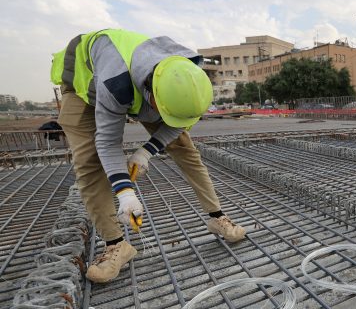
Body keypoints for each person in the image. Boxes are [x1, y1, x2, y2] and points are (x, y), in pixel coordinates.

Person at [51, 28, 246, 283]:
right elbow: (108, 143)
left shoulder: (188, 76)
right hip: (81, 84)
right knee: (90, 160)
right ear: (151, 95)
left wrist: (146, 152)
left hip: (139, 82)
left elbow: (177, 124)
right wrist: (125, 193)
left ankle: (217, 216)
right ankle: (116, 244)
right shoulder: (115, 82)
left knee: (185, 148)